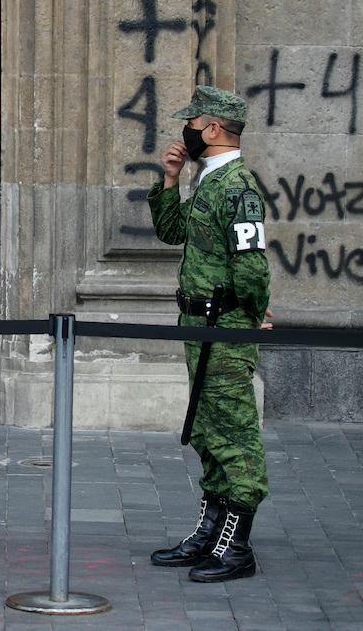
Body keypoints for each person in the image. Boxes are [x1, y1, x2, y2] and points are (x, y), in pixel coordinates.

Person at [146, 85, 272, 582]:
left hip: (226, 330)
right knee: (207, 429)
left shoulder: (239, 188)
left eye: (192, 125)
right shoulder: (208, 179)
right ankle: (210, 534)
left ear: (213, 129)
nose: (187, 133)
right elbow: (172, 232)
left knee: (235, 434)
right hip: (200, 327)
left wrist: (253, 315)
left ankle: (235, 546)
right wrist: (170, 178)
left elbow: (253, 267)